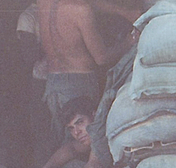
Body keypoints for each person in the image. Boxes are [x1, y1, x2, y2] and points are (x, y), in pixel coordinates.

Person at [37, 0, 140, 147]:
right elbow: (101, 58)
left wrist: (121, 11)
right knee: (84, 147)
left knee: (63, 144)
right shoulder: (81, 10)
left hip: (53, 83)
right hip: (78, 84)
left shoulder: (43, 4)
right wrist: (129, 42)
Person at [16, 1, 59, 168]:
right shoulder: (29, 18)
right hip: (42, 83)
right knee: (45, 145)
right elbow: (29, 57)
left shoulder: (38, 16)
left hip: (53, 82)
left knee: (54, 145)